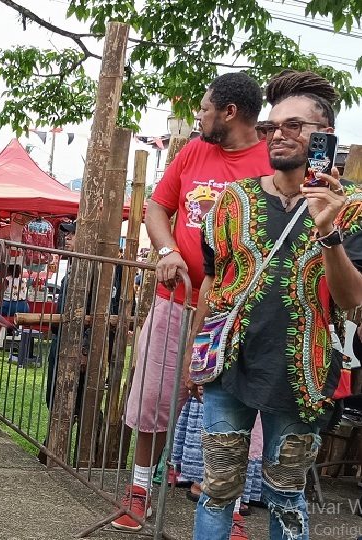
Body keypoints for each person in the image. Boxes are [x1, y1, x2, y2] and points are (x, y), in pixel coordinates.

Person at [192, 70, 362, 540]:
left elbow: (354, 300)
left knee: (286, 496)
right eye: (272, 126)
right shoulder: (232, 201)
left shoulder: (352, 209)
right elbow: (212, 282)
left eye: (294, 126)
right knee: (218, 488)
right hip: (230, 364)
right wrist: (197, 356)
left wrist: (328, 231)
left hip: (301, 374)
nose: (278, 135)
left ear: (325, 136)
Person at [113, 72, 274, 532]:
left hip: (238, 311)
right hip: (176, 300)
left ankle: (234, 510)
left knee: (242, 410)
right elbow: (157, 208)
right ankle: (140, 487)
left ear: (229, 112)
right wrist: (167, 251)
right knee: (154, 396)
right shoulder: (192, 152)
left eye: (204, 108)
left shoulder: (269, 163)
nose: (199, 115)